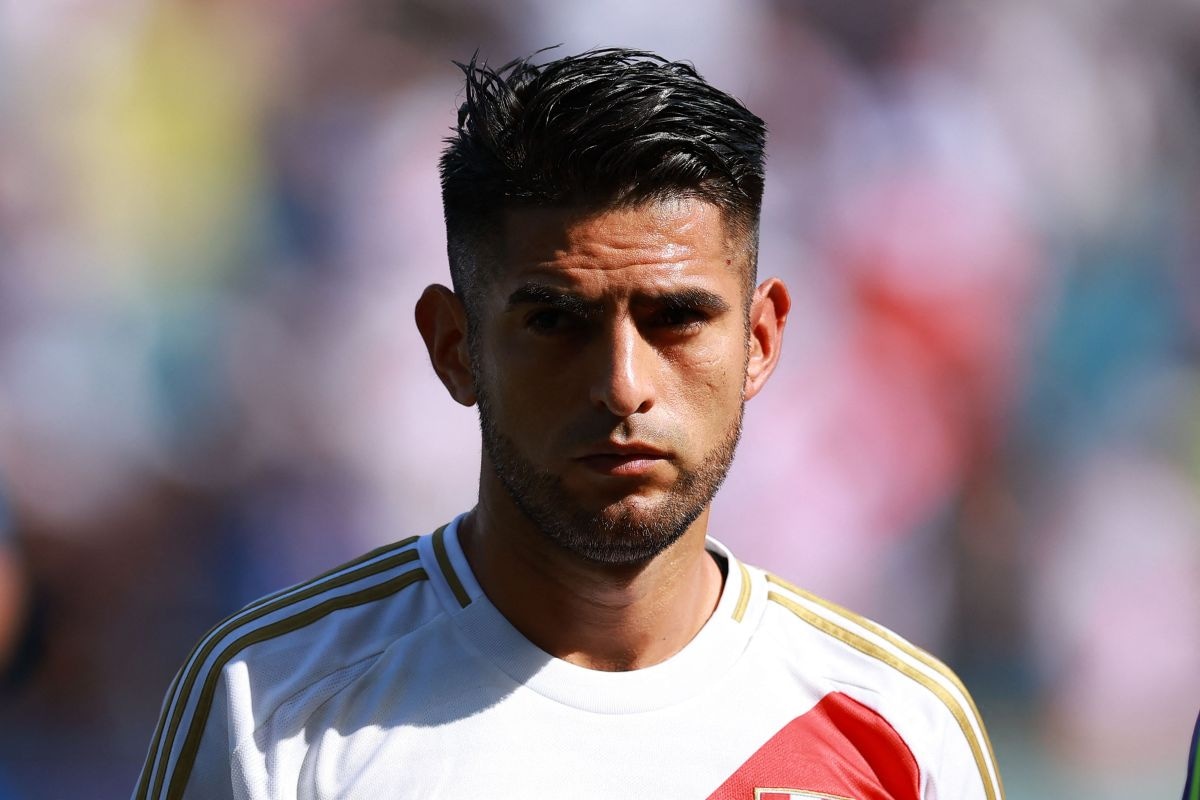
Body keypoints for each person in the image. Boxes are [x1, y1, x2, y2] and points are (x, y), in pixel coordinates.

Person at [134, 47, 1004, 800]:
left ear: (761, 340)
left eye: (677, 319)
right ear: (454, 346)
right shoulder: (275, 704)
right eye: (555, 321)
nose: (623, 386)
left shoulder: (900, 730)